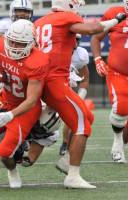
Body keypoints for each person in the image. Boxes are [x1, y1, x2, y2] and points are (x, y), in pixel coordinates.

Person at [34, 0, 126, 189]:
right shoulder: (66, 17)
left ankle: (67, 160)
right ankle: (72, 175)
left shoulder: (40, 22)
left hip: (43, 79)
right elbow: (93, 29)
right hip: (55, 81)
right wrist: (116, 19)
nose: (78, 9)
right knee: (82, 123)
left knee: (87, 115)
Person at [0, 19, 49, 188]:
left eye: (20, 43)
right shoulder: (0, 46)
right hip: (4, 101)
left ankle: (12, 170)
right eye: (12, 41)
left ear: (32, 43)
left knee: (5, 152)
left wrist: (9, 115)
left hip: (25, 109)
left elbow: (32, 100)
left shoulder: (38, 61)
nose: (14, 46)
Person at [0, 0, 34, 177]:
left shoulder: (35, 32)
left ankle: (23, 144)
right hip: (3, 88)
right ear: (12, 11)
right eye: (19, 10)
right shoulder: (2, 27)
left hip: (27, 92)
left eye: (26, 11)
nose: (22, 14)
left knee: (46, 126)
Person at [91, 1, 128, 164]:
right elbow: (96, 37)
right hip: (118, 72)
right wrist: (98, 58)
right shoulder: (115, 12)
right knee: (122, 108)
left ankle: (119, 145)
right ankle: (118, 142)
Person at [56, 34, 89, 173]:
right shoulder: (54, 51)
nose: (74, 41)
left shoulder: (80, 55)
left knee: (75, 119)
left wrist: (80, 96)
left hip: (67, 91)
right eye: (71, 38)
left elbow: (85, 79)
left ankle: (66, 144)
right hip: (48, 90)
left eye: (77, 39)